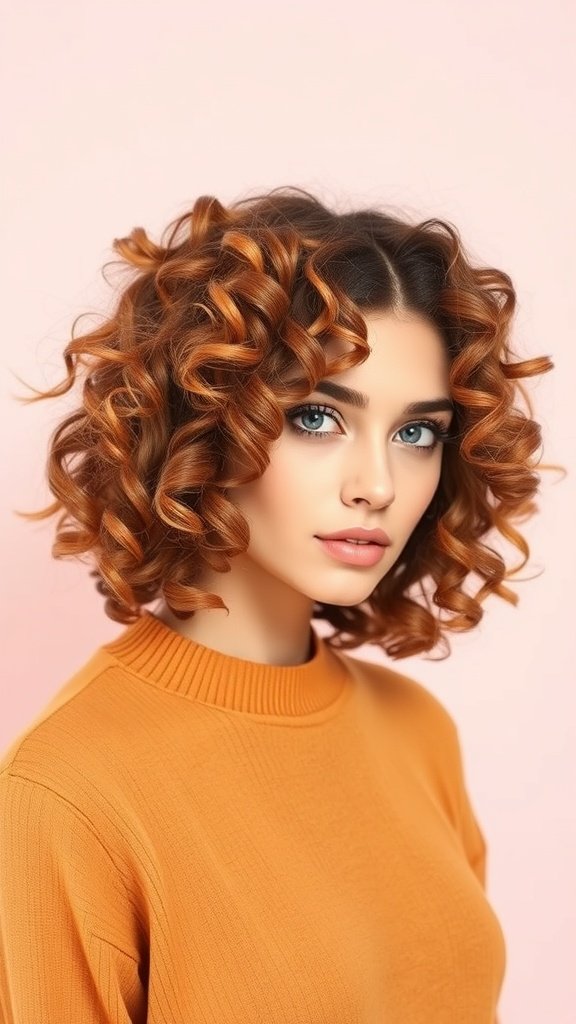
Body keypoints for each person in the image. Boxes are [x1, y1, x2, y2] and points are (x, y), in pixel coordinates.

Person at [0, 186, 557, 1022]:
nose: (376, 485)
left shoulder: (416, 733)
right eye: (316, 417)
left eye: (416, 434)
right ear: (205, 417)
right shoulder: (69, 792)